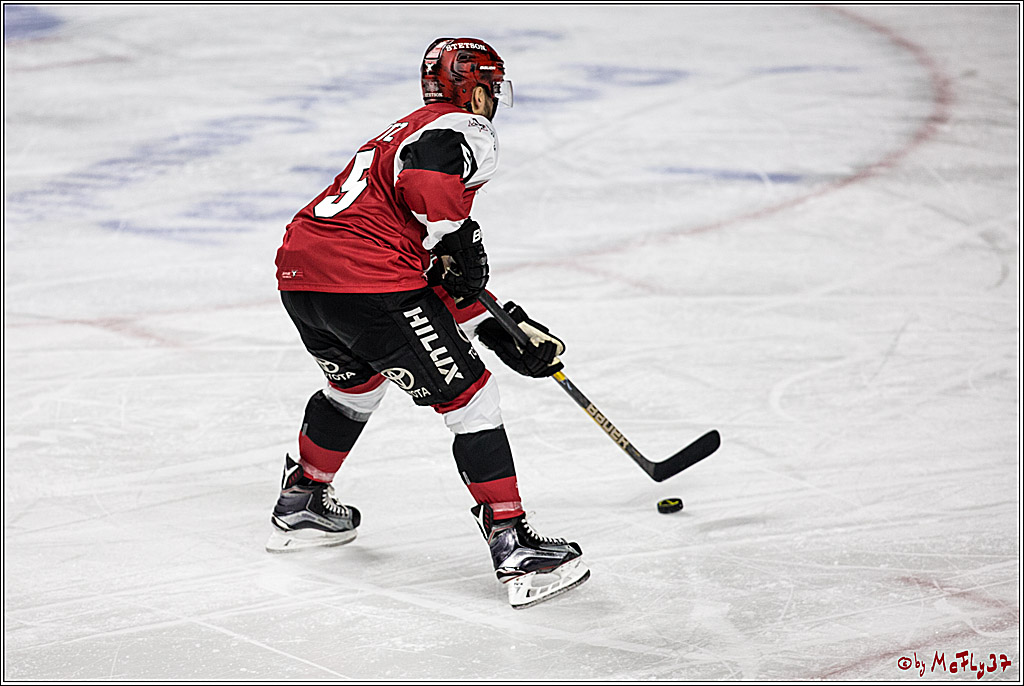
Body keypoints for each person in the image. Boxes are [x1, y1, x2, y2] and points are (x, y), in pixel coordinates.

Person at [269, 37, 589, 609]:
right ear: (477, 86)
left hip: (303, 275)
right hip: (367, 280)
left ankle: (305, 502)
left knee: (356, 383)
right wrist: (458, 238)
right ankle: (516, 549)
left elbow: (430, 275)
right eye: (491, 87)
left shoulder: (401, 129)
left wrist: (499, 327)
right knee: (471, 400)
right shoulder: (463, 128)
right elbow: (428, 190)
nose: (493, 100)